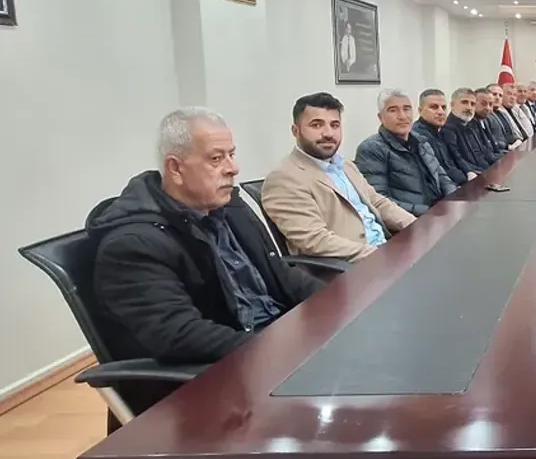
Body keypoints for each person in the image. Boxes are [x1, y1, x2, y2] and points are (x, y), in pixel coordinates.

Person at [89, 108, 325, 414]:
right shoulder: (133, 245)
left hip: (273, 347)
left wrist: (337, 305)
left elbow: (277, 272)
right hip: (224, 384)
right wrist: (279, 351)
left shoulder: (227, 207)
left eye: (232, 155)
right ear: (175, 168)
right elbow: (182, 334)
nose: (233, 168)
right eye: (216, 159)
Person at [263, 93, 415, 260]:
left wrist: (417, 227)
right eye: (316, 125)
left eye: (334, 125)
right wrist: (382, 256)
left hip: (385, 249)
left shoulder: (344, 165)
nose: (328, 133)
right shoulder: (284, 179)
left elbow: (377, 202)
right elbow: (316, 241)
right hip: (354, 266)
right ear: (295, 131)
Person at [354, 89, 457, 216]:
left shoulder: (421, 141)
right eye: (393, 110)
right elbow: (379, 201)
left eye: (406, 109)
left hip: (439, 212)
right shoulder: (371, 149)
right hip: (412, 220)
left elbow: (442, 177)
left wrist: (454, 200)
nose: (402, 116)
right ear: (380, 117)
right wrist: (430, 212)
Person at [412, 89, 477, 186]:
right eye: (434, 107)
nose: (441, 112)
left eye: (443, 107)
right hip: (450, 189)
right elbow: (433, 176)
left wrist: (469, 171)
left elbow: (456, 157)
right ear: (420, 111)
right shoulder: (418, 136)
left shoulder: (442, 130)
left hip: (462, 182)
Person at [441, 87, 496, 172]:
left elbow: (484, 151)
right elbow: (457, 159)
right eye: (464, 102)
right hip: (475, 174)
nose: (469, 107)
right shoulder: (447, 128)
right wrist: (481, 172)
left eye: (473, 104)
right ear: (452, 105)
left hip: (487, 170)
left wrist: (499, 162)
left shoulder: (472, 124)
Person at [478, 86, 519, 152]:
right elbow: (489, 140)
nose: (497, 98)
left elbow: (512, 133)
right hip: (501, 151)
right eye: (494, 94)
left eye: (500, 96)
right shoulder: (485, 116)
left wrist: (518, 140)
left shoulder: (504, 114)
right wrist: (507, 146)